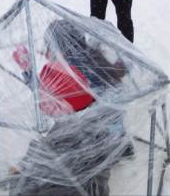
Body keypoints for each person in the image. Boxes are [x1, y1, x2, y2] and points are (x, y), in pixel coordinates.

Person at [9, 20, 129, 196]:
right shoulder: (94, 62)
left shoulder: (72, 73)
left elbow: (51, 104)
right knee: (49, 152)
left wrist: (28, 70)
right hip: (107, 138)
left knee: (52, 162)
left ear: (59, 48)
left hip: (91, 139)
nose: (47, 51)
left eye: (49, 46)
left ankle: (30, 182)